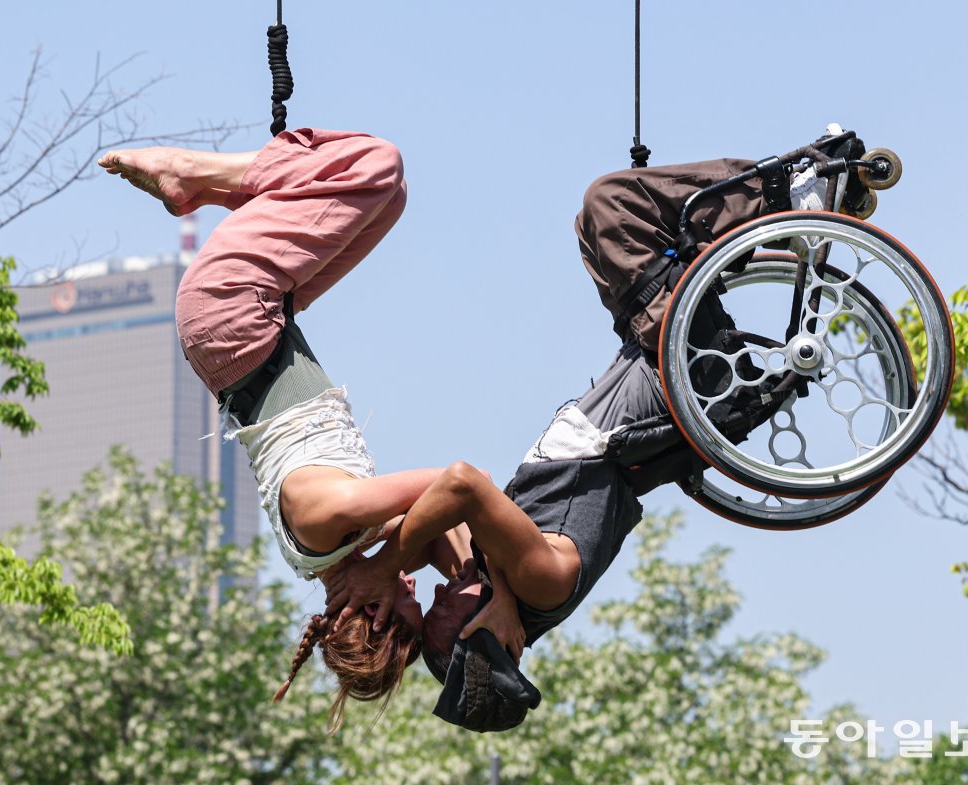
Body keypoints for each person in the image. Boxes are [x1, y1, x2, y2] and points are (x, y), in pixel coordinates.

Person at [325, 125, 869, 732]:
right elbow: (459, 485)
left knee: (593, 234)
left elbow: (424, 535)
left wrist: (347, 575)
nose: (442, 590)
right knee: (611, 206)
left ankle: (772, 211)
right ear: (501, 637)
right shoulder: (541, 581)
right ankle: (799, 193)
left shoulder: (496, 576)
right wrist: (386, 569)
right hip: (684, 380)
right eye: (448, 608)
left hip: (660, 360)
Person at [99, 129, 445, 730]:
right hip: (255, 321)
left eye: (405, 605)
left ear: (370, 609)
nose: (411, 585)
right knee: (390, 201)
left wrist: (389, 563)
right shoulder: (340, 542)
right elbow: (447, 523)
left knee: (376, 166)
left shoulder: (326, 516)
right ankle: (261, 192)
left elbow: (454, 483)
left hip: (232, 310)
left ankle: (192, 174)